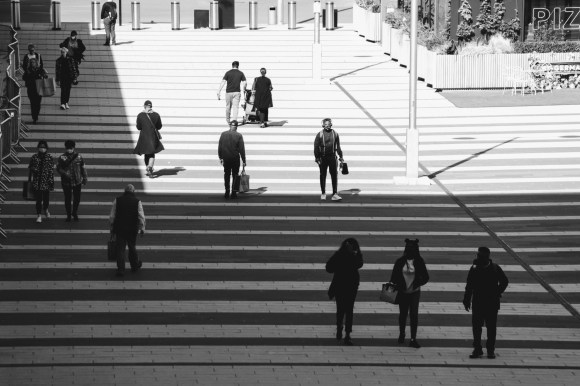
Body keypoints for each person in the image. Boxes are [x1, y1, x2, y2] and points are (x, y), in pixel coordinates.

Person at [463, 247, 509, 359]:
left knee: (491, 327)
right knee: (476, 327)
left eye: (480, 256)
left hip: (491, 303)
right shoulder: (474, 268)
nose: (478, 258)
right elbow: (469, 286)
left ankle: (490, 350)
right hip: (478, 302)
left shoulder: (495, 268)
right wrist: (466, 300)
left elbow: (505, 281)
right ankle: (477, 349)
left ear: (487, 257)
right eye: (477, 255)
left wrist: (497, 292)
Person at [389, 238, 430, 348]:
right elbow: (393, 277)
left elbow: (426, 277)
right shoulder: (400, 261)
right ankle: (402, 333)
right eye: (407, 248)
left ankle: (413, 338)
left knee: (413, 315)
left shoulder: (419, 261)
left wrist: (417, 283)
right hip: (403, 292)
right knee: (403, 314)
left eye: (411, 248)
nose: (409, 250)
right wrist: (398, 284)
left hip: (414, 292)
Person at [326, 238, 363, 346]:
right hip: (341, 285)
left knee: (348, 309)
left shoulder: (356, 255)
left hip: (350, 286)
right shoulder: (339, 255)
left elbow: (359, 264)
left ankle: (347, 333)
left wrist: (352, 255)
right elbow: (329, 267)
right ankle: (340, 327)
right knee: (341, 309)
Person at [109, 184, 146, 277]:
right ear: (133, 191)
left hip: (120, 228)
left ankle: (121, 269)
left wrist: (112, 228)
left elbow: (112, 216)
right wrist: (142, 228)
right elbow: (141, 216)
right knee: (132, 247)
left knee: (120, 249)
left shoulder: (117, 200)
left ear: (124, 191)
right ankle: (134, 266)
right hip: (132, 229)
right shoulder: (137, 201)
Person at [56, 140, 88, 222]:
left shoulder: (79, 157)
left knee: (77, 198)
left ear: (73, 148)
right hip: (66, 182)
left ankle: (74, 212)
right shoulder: (62, 157)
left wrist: (85, 178)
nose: (69, 150)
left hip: (77, 181)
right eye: (67, 148)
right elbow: (58, 168)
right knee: (67, 198)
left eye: (70, 148)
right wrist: (64, 173)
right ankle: (68, 214)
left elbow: (83, 167)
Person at [313, 118, 344, 201]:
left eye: (328, 124)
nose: (327, 126)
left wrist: (341, 157)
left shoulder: (335, 134)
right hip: (322, 158)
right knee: (323, 175)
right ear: (323, 125)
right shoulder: (319, 134)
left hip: (332, 157)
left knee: (334, 175)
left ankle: (334, 194)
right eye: (325, 124)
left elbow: (338, 147)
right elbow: (316, 147)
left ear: (331, 124)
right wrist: (317, 157)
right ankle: (323, 193)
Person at [133, 100, 164, 177]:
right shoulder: (156, 115)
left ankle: (148, 167)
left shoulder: (140, 115)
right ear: (151, 106)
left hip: (144, 138)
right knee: (152, 153)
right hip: (153, 137)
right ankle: (149, 167)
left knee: (146, 153)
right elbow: (159, 126)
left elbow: (138, 127)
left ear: (144, 106)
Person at [218, 120, 246, 199]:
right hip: (235, 159)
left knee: (226, 175)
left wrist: (220, 157)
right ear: (236, 127)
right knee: (235, 175)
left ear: (230, 126)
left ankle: (227, 191)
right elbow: (241, 149)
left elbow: (220, 147)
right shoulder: (239, 135)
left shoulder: (223, 134)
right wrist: (244, 160)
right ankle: (234, 192)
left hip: (226, 158)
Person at [28, 140, 54, 224]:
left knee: (46, 199)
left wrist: (51, 180)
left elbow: (51, 170)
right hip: (37, 182)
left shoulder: (49, 157)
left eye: (44, 147)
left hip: (46, 181)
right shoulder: (34, 157)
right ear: (38, 147)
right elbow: (30, 167)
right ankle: (39, 215)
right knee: (38, 200)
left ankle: (46, 209)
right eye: (41, 147)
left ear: (46, 148)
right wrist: (34, 170)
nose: (42, 148)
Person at [22, 58, 47, 124]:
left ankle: (36, 114)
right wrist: (28, 74)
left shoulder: (40, 70)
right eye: (31, 62)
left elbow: (45, 76)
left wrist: (44, 75)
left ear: (36, 63)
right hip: (31, 89)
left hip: (39, 89)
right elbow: (24, 78)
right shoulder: (28, 70)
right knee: (33, 103)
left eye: (34, 62)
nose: (33, 63)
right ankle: (34, 117)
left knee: (38, 103)